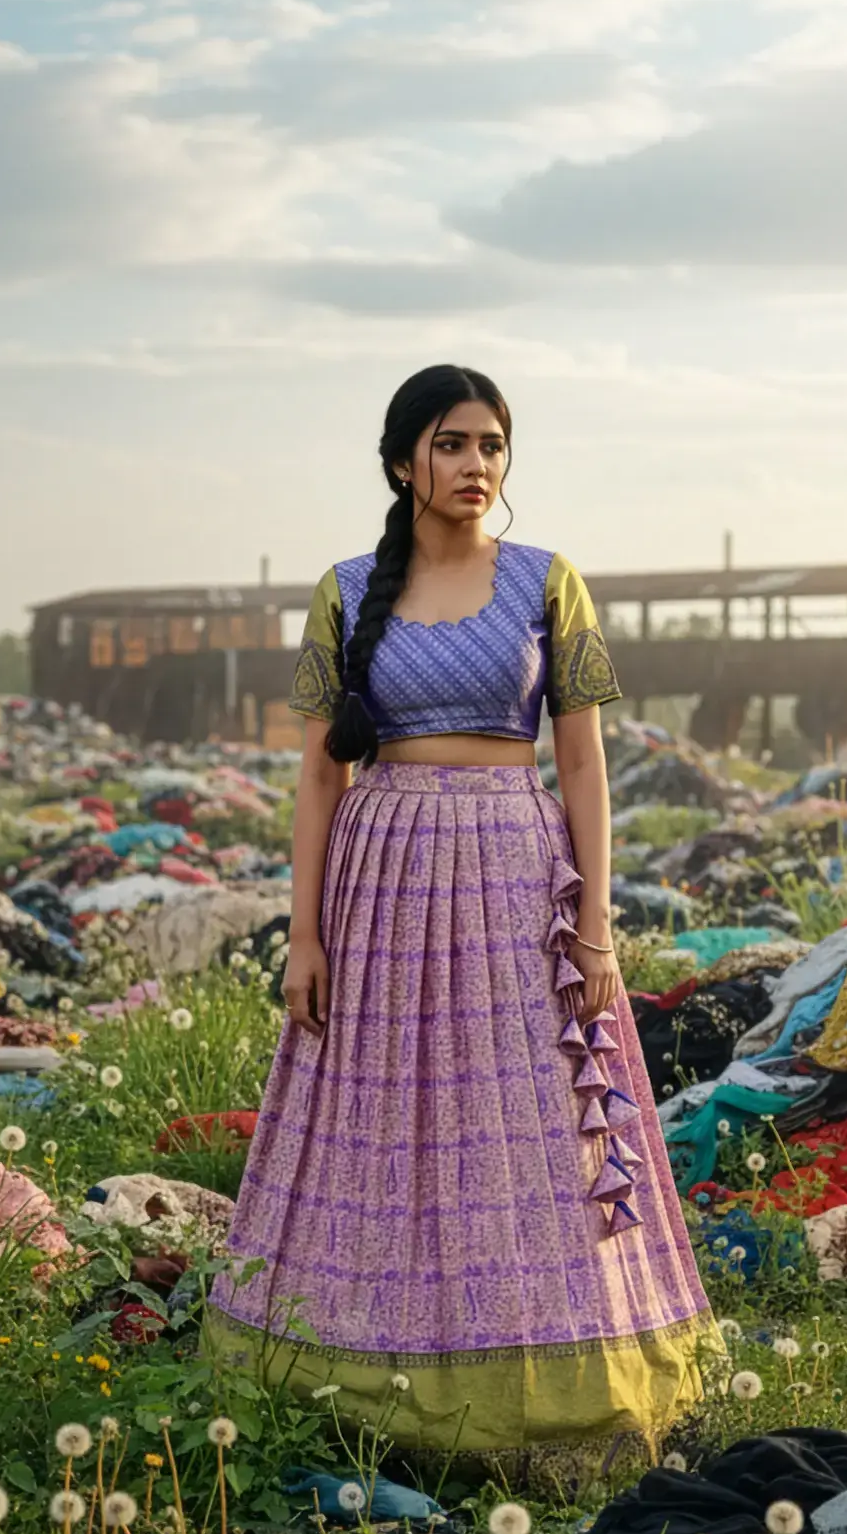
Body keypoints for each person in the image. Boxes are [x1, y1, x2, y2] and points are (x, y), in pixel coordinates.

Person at [206, 364, 720, 1469]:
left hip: (515, 874)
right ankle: (369, 1378)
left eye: (490, 444)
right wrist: (305, 935)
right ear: (404, 463)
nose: (475, 464)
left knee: (530, 1116)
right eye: (450, 444)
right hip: (382, 877)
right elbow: (319, 776)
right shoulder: (347, 590)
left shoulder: (547, 581)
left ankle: (555, 1372)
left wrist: (595, 925)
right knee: (384, 1116)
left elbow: (581, 764)